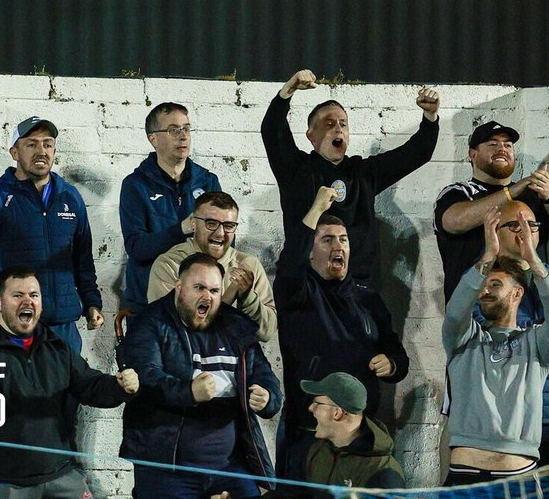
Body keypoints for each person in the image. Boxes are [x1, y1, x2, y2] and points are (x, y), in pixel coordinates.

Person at [0, 266, 138, 497]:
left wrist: (119, 386)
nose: (27, 301)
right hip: (1, 482)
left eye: (34, 295)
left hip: (60, 475)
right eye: (17, 295)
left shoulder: (54, 345)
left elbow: (89, 384)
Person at [273, 186, 408, 483]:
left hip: (356, 435)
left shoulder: (369, 299)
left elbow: (398, 355)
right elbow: (289, 265)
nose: (338, 246)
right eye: (327, 240)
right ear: (310, 252)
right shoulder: (298, 294)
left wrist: (392, 363)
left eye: (343, 240)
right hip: (308, 432)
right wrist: (316, 209)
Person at [118, 252, 281, 499]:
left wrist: (267, 397)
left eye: (215, 291)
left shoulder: (236, 325)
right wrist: (189, 391)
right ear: (179, 286)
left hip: (230, 466)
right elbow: (146, 378)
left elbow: (265, 374)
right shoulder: (150, 322)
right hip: (167, 467)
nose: (208, 296)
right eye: (199, 288)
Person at [261, 69, 440, 283]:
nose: (338, 129)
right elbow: (272, 130)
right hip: (307, 282)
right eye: (329, 124)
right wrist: (287, 91)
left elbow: (416, 153)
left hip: (357, 283)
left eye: (343, 124)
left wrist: (430, 117)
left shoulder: (363, 173)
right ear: (311, 135)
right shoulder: (296, 169)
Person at [443, 207, 549, 486]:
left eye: (495, 284)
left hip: (518, 479)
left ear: (517, 293)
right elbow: (454, 312)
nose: (484, 291)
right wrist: (487, 258)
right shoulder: (464, 339)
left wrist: (533, 261)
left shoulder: (537, 344)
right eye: (483, 286)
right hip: (466, 476)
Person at [0, 115, 102, 352]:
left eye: (47, 144)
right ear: (14, 152)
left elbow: (83, 260)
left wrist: (92, 302)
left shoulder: (71, 198)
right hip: (13, 325)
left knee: (70, 379)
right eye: (31, 144)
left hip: (63, 329)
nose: (41, 151)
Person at [478, 198, 549, 465]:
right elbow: (481, 336)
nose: (525, 232)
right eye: (515, 225)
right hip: (499, 420)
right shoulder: (483, 282)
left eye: (532, 225)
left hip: (547, 418)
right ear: (495, 231)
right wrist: (542, 334)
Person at [434, 119, 549, 302]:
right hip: (474, 308)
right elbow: (455, 222)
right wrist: (511, 191)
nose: (502, 149)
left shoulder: (532, 195)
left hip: (529, 308)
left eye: (508, 145)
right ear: (473, 154)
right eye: (492, 144)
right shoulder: (458, 193)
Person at [119, 102, 220, 315]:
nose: (183, 136)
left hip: (199, 304)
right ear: (153, 138)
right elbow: (137, 247)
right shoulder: (135, 186)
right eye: (173, 130)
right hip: (150, 304)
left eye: (186, 129)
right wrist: (181, 230)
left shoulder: (207, 181)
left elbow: (223, 242)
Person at [147, 190, 276, 341]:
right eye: (211, 224)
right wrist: (230, 296)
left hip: (238, 355)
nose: (220, 233)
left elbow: (267, 333)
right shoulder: (169, 265)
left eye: (228, 226)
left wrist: (248, 299)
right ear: (193, 224)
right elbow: (172, 332)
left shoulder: (248, 265)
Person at [300, 371, 404, 491]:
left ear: (337, 413)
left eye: (316, 403)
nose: (310, 408)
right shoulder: (318, 451)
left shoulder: (383, 473)